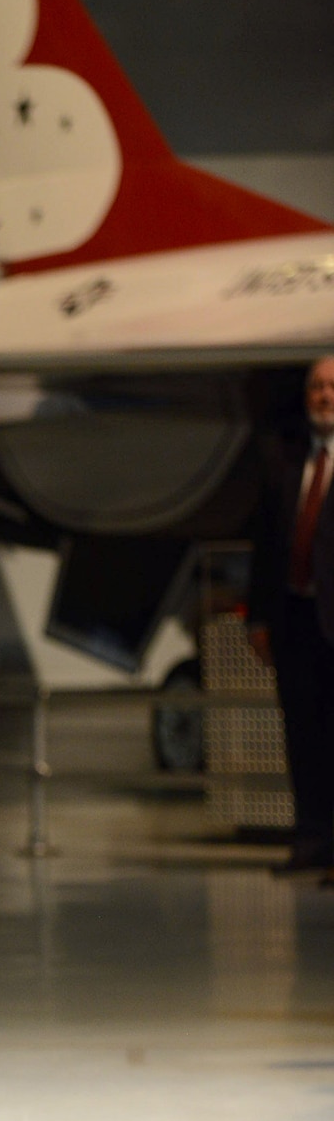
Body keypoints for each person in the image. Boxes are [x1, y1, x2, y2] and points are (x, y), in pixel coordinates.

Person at [248, 356, 334, 873]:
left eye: (332, 387)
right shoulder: (285, 459)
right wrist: (259, 618)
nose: (324, 396)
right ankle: (313, 840)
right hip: (296, 619)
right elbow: (266, 546)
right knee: (303, 733)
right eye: (317, 387)